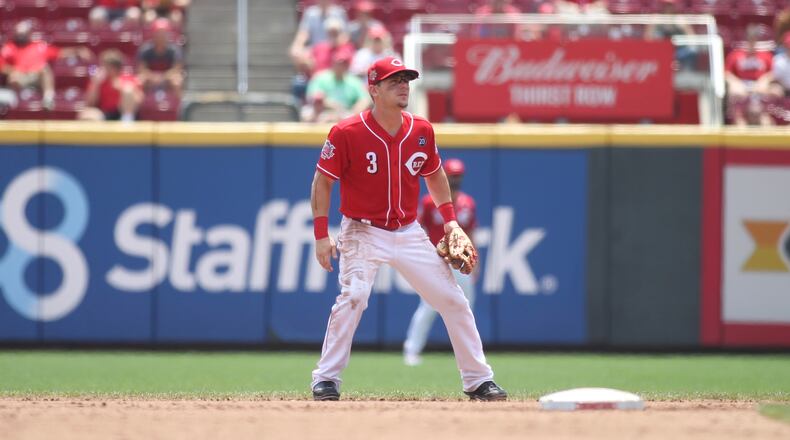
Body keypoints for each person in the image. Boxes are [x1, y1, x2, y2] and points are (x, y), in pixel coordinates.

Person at [310, 56, 507, 402]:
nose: (404, 86)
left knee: (452, 299)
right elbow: (323, 182)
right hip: (362, 231)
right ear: (373, 89)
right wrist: (321, 234)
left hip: (407, 230)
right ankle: (325, 379)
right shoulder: (346, 132)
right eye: (394, 81)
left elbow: (435, 175)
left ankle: (478, 380)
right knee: (354, 296)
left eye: (406, 80)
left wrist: (449, 221)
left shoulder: (421, 130)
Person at [403, 158, 478, 367]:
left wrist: (475, 262)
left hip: (460, 262)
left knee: (466, 307)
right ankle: (412, 350)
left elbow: (471, 233)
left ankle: (468, 354)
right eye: (452, 176)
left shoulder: (468, 203)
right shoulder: (429, 202)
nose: (455, 180)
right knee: (428, 306)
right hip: (437, 260)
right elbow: (418, 228)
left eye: (458, 176)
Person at [1, 20, 93, 110]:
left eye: (24, 33)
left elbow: (59, 53)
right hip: (19, 76)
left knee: (45, 69)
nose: (21, 36)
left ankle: (48, 99)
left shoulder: (39, 46)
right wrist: (13, 71)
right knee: (13, 78)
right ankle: (15, 107)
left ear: (29, 33)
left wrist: (77, 50)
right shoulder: (9, 47)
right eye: (19, 33)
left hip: (36, 76)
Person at [725, 24, 774, 126]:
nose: (752, 42)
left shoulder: (766, 55)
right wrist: (736, 82)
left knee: (774, 92)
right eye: (750, 39)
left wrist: (764, 80)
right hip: (742, 86)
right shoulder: (736, 55)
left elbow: (773, 72)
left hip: (759, 88)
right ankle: (739, 132)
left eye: (754, 39)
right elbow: (726, 73)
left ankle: (769, 135)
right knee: (734, 93)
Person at [302, 48, 369, 123]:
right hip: (322, 112)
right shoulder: (321, 78)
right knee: (307, 114)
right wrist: (333, 106)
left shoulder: (354, 82)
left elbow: (364, 100)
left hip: (345, 114)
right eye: (338, 63)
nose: (340, 66)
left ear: (347, 66)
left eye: (343, 64)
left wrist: (353, 113)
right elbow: (315, 97)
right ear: (333, 63)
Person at [79, 49, 143, 122]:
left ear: (114, 68)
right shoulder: (99, 80)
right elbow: (89, 104)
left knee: (128, 90)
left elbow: (139, 100)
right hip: (104, 113)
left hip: (122, 114)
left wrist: (121, 87)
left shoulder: (128, 78)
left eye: (105, 66)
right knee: (87, 115)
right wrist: (96, 84)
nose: (102, 68)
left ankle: (126, 125)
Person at [136, 18, 184, 97]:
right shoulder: (145, 49)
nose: (161, 36)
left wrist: (162, 77)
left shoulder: (174, 50)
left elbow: (177, 69)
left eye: (163, 33)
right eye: (158, 33)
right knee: (140, 80)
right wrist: (153, 77)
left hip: (168, 78)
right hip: (150, 78)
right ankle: (140, 107)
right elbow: (141, 69)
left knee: (177, 81)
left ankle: (179, 107)